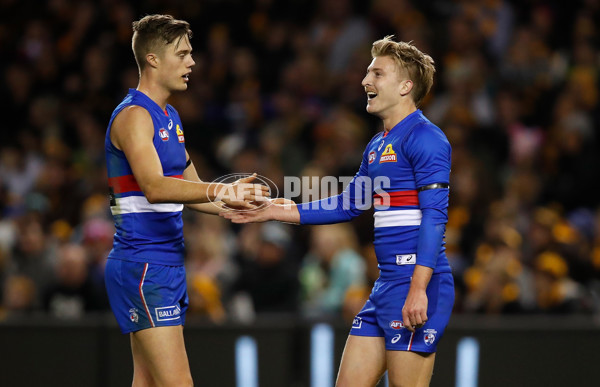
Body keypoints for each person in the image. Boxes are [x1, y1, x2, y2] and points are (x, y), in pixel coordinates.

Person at [222, 36, 454, 386]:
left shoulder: (427, 138)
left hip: (417, 284)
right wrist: (274, 211)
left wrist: (419, 287)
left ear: (406, 86)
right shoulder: (378, 145)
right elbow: (348, 204)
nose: (365, 81)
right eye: (367, 72)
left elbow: (435, 217)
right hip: (386, 285)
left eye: (377, 73)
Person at [104, 14, 269, 386]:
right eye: (183, 54)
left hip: (163, 265)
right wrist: (225, 190)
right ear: (153, 59)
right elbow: (156, 187)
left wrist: (248, 206)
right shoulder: (133, 117)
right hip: (143, 265)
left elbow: (194, 191)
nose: (192, 62)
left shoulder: (170, 115)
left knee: (146, 381)